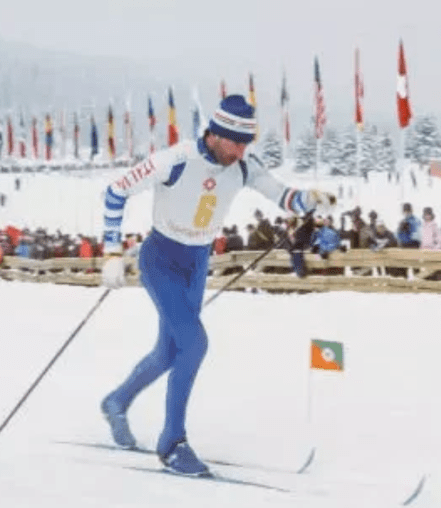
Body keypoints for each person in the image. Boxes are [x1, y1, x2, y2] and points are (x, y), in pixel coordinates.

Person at [97, 94, 336, 477]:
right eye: (236, 143)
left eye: (246, 143)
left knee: (168, 352)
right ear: (215, 134)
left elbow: (283, 196)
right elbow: (115, 191)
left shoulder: (243, 165)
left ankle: (116, 401)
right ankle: (172, 443)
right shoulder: (176, 159)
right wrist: (111, 250)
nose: (241, 151)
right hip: (160, 259)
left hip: (197, 262)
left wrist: (311, 199)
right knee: (194, 344)